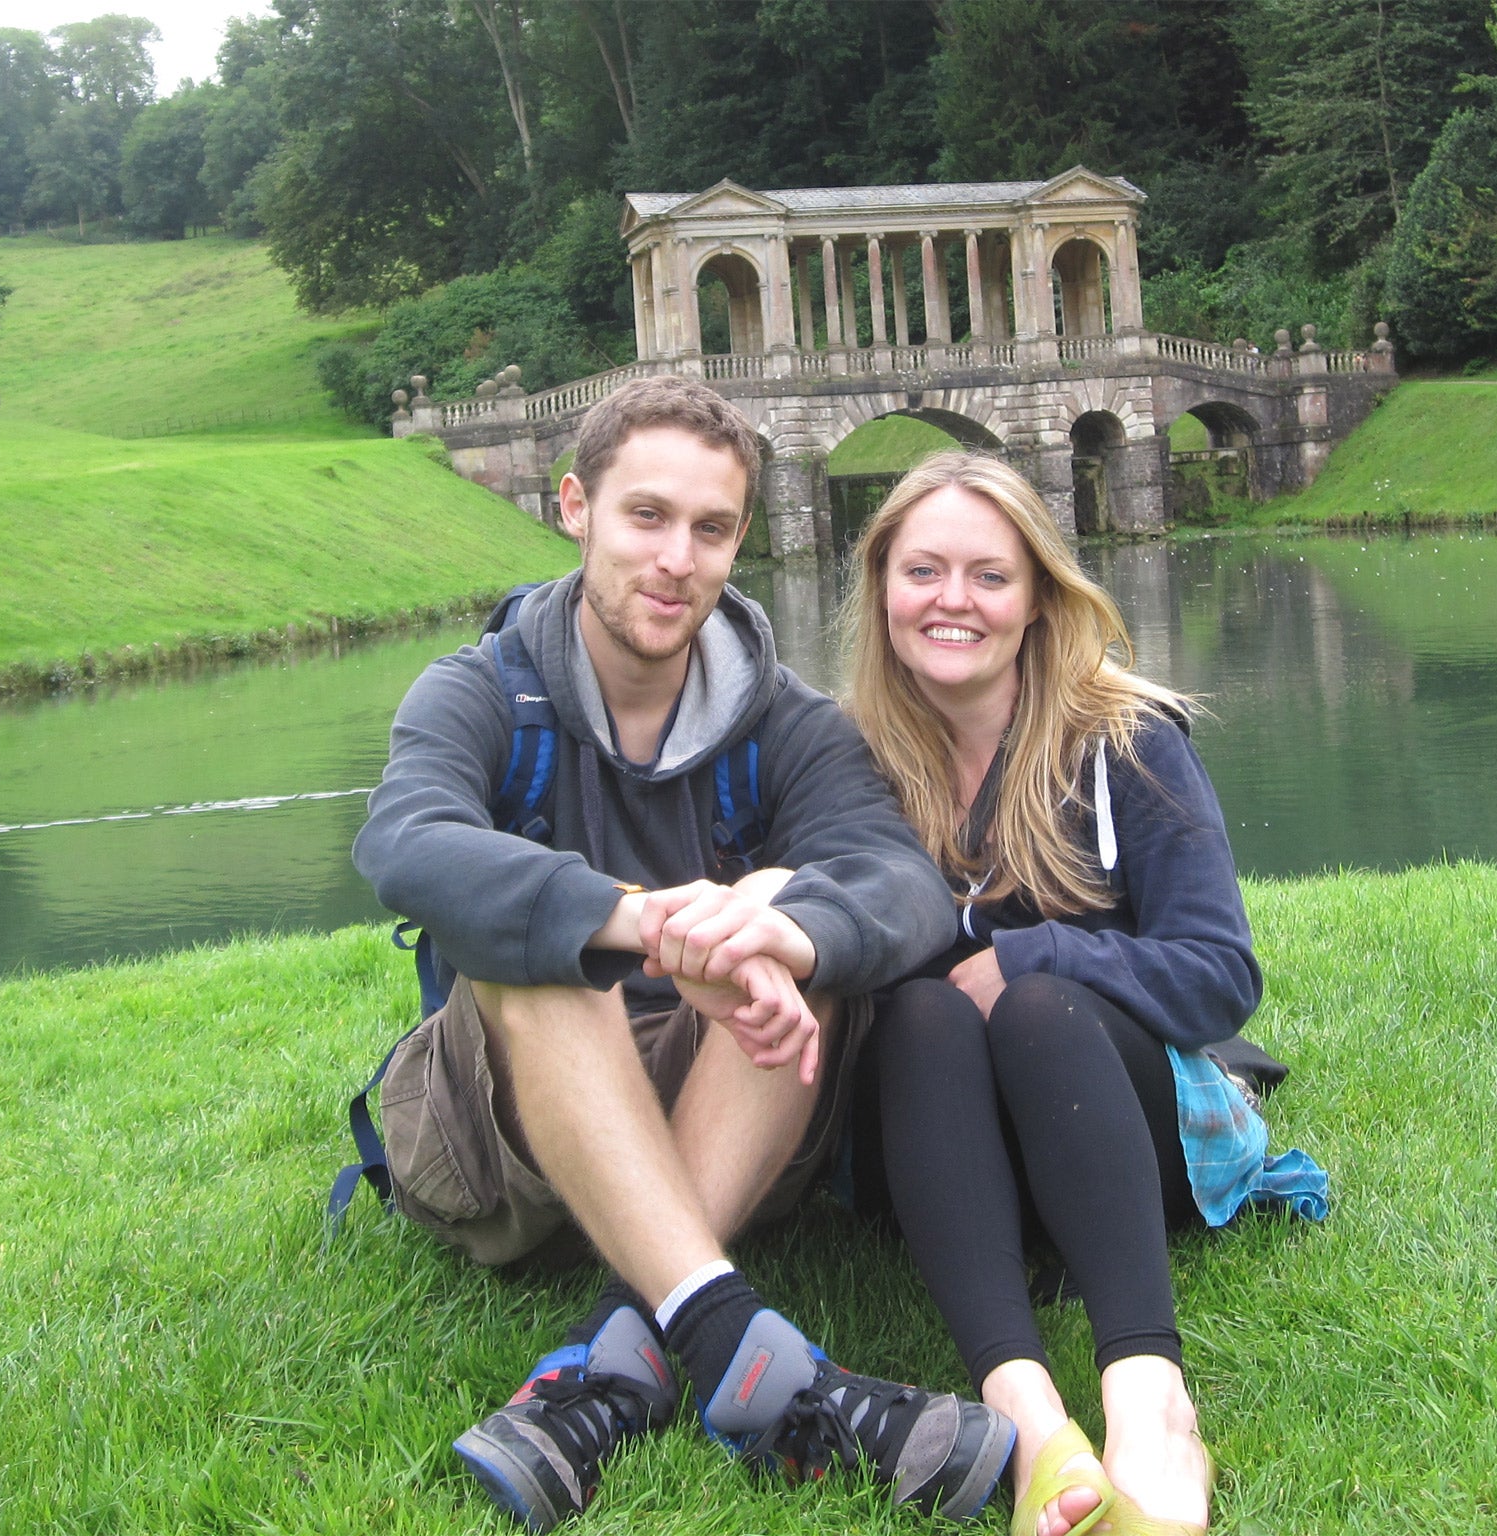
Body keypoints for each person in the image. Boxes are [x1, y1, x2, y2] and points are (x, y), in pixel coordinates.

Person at [352, 378, 1014, 1533]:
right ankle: (748, 1358)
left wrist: (778, 924)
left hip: (725, 1110)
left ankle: (615, 1357)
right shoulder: (478, 692)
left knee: (788, 945)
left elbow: (900, 881)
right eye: (644, 517)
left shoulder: (788, 723)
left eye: (709, 529)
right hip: (505, 1139)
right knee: (542, 949)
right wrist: (650, 920)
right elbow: (404, 843)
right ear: (574, 507)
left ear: (739, 538)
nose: (675, 559)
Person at [840, 453, 1328, 1536]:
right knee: (919, 1012)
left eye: (988, 576)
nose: (952, 601)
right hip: (934, 1148)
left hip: (1103, 1128)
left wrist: (1034, 956)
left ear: (1037, 599)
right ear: (880, 587)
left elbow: (1219, 976)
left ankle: (1147, 1403)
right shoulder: (846, 757)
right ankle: (1024, 1422)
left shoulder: (1124, 739)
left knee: (1038, 1006)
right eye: (922, 571)